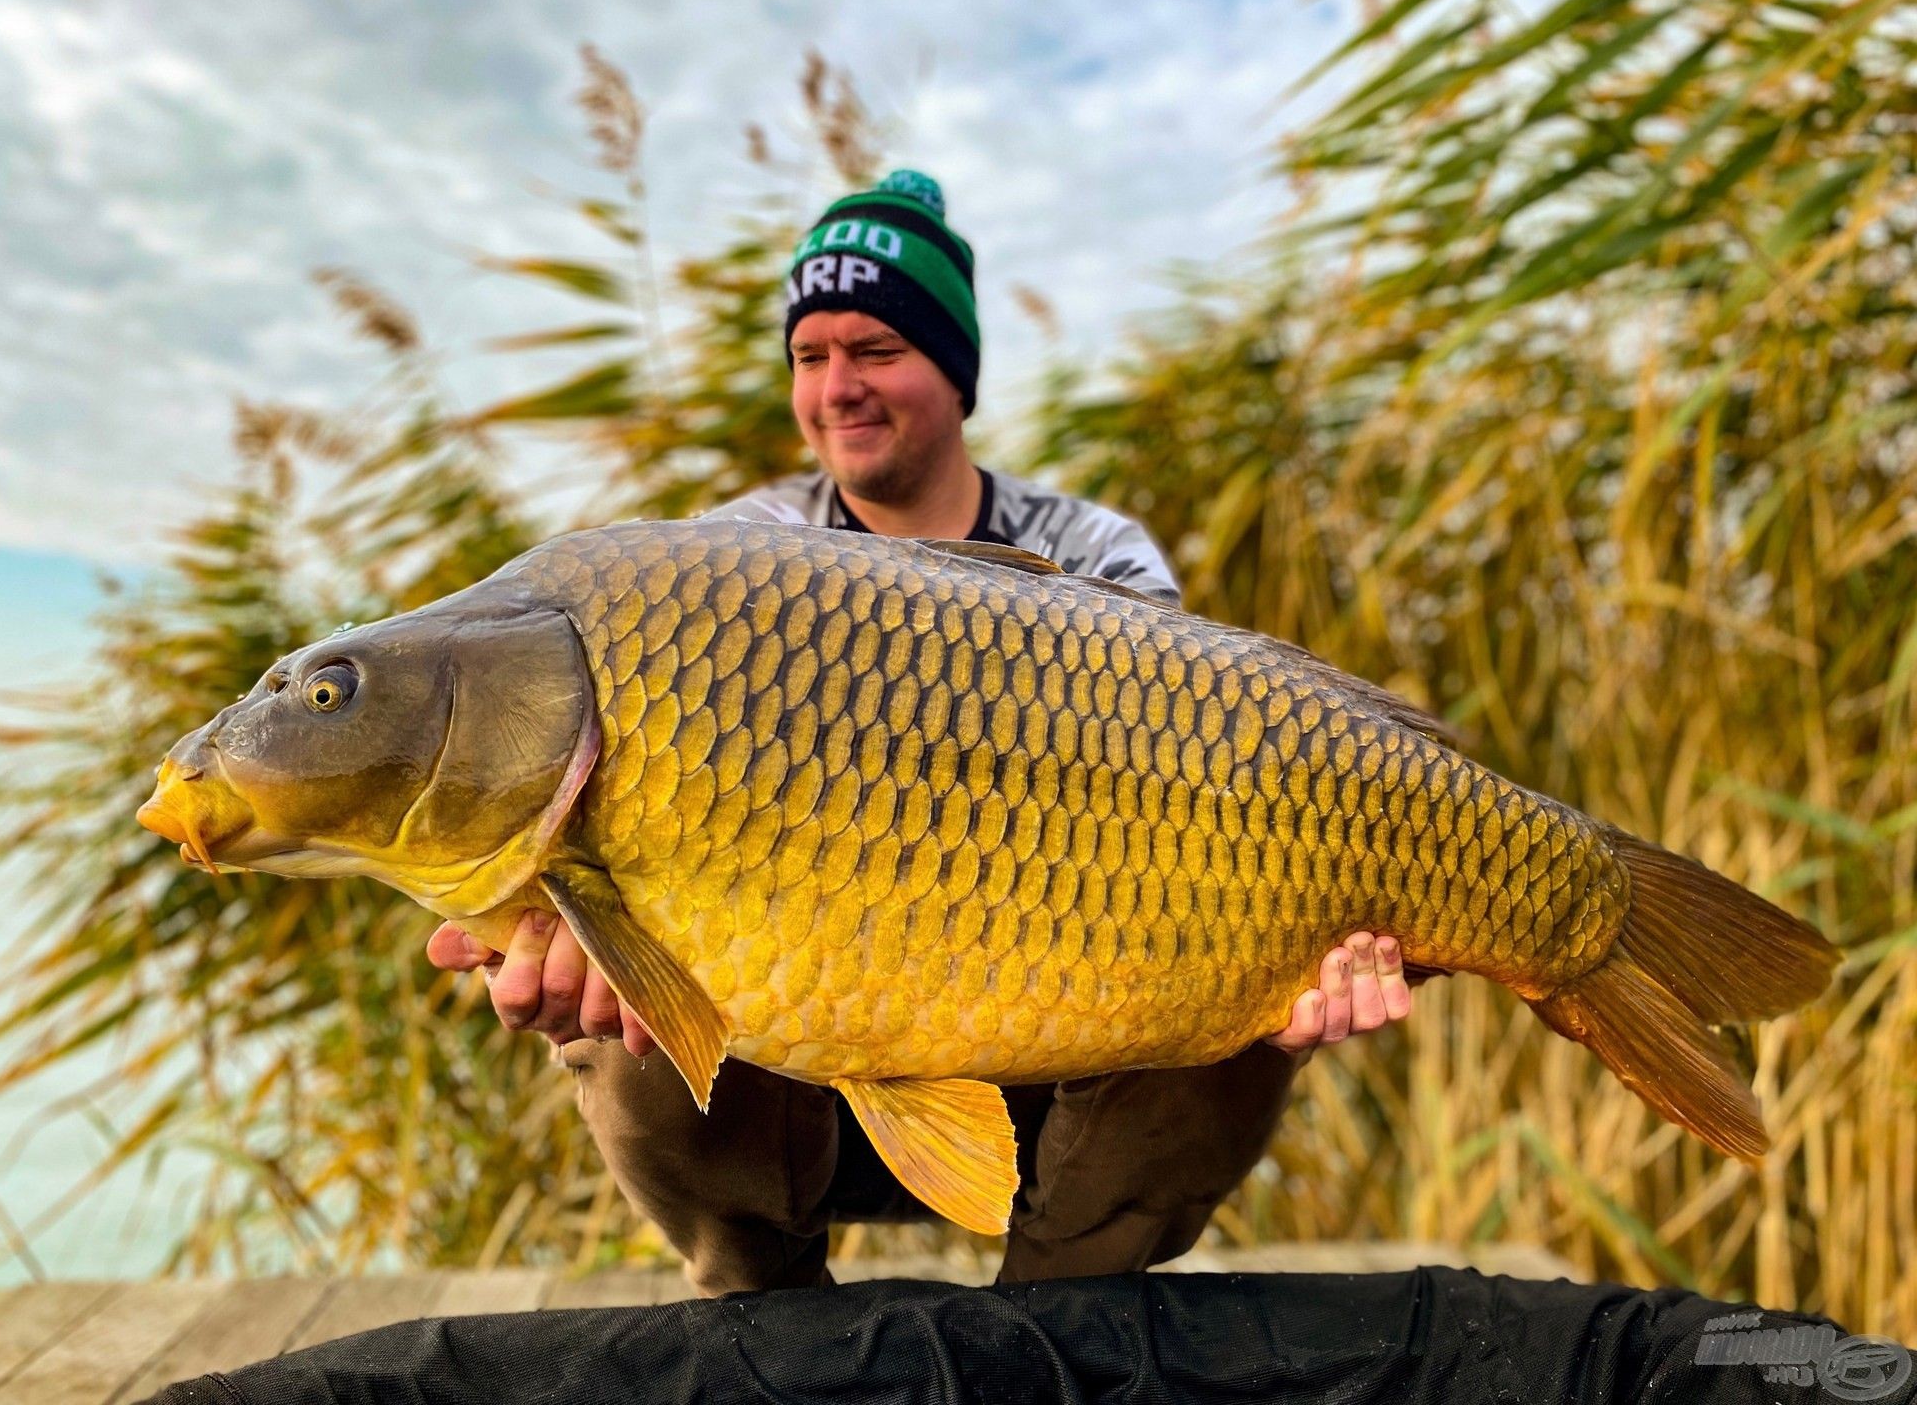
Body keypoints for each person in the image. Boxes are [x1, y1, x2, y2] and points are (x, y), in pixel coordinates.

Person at [428, 170, 1415, 1295]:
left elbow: (1200, 800)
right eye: (810, 356)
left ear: (957, 368)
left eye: (878, 348)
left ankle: (1055, 1328)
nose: (838, 387)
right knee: (617, 986)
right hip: (797, 1069)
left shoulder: (1094, 555)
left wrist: (1306, 963)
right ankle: (768, 1322)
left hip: (1060, 1057)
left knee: (1245, 1008)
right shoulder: (729, 559)